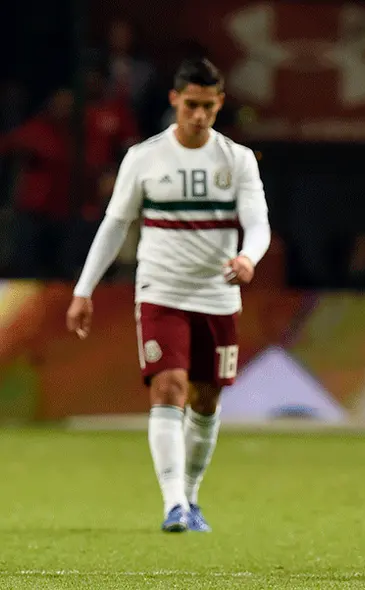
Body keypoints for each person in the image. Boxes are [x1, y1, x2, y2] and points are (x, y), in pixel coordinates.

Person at [65, 58, 272, 533]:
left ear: (219, 104)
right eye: (191, 105)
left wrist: (248, 258)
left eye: (208, 106)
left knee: (205, 399)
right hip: (161, 289)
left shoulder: (236, 159)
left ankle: (192, 495)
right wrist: (84, 290)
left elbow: (258, 222)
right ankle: (173, 503)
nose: (199, 115)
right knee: (168, 386)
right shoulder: (144, 157)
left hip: (218, 295)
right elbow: (115, 225)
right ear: (175, 100)